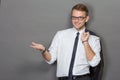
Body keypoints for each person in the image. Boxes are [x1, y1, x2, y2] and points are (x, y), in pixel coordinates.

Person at [30, 3, 101, 80]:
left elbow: (94, 63)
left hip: (83, 78)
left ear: (86, 18)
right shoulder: (60, 35)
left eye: (80, 18)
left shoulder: (94, 38)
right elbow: (50, 59)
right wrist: (43, 51)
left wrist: (85, 42)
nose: (76, 21)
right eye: (74, 17)